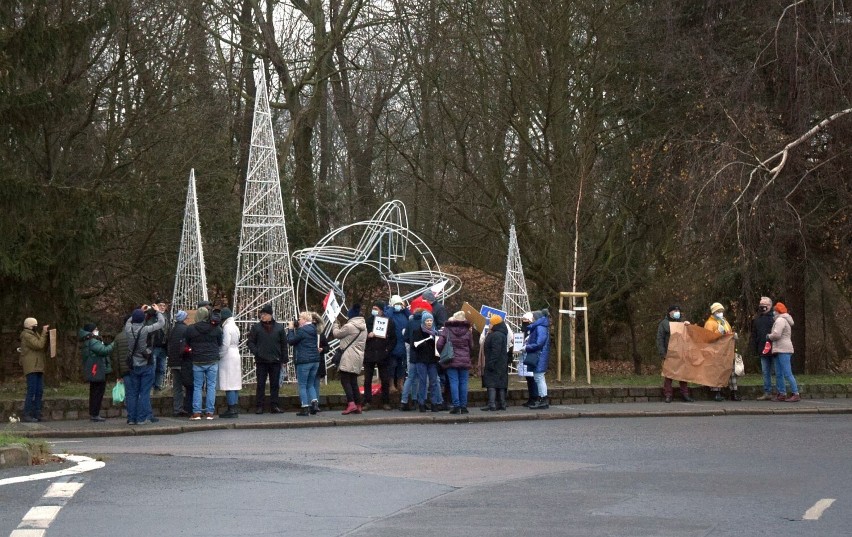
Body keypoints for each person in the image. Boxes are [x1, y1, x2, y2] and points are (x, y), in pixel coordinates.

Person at [124, 304, 166, 425]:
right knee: (144, 392)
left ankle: (132, 418)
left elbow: (128, 321)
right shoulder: (145, 329)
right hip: (146, 363)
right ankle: (142, 418)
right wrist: (158, 312)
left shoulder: (128, 329)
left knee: (134, 393)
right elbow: (161, 323)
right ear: (143, 319)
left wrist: (137, 312)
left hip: (134, 364)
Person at [248, 304, 288, 414]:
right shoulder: (256, 328)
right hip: (261, 361)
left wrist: (284, 359)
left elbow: (284, 344)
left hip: (275, 360)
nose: (262, 316)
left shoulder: (279, 328)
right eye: (261, 314)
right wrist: (256, 352)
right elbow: (250, 342)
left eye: (264, 314)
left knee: (275, 384)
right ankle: (259, 406)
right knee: (260, 384)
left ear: (270, 315)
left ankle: (274, 405)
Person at [184, 307, 223, 420]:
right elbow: (220, 343)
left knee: (197, 386)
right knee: (211, 386)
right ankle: (210, 412)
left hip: (197, 360)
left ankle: (196, 412)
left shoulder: (191, 329)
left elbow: (187, 342)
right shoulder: (216, 328)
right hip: (212, 360)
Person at [333, 304, 367, 414]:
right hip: (358, 357)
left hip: (348, 356)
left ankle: (351, 403)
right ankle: (358, 405)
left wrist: (335, 325)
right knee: (353, 381)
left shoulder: (349, 326)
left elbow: (337, 334)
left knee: (345, 380)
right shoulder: (364, 327)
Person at [437, 311, 474, 414]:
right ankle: (464, 406)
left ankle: (456, 406)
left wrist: (443, 353)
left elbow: (439, 344)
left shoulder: (447, 330)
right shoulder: (468, 331)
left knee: (454, 382)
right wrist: (467, 354)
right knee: (464, 383)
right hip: (465, 360)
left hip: (451, 359)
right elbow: (471, 346)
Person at [657, 305, 695, 403]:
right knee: (668, 375)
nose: (677, 312)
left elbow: (689, 336)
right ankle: (668, 395)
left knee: (683, 374)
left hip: (681, 352)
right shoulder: (664, 323)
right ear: (669, 312)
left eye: (678, 310)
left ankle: (685, 394)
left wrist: (688, 326)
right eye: (674, 310)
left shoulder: (682, 323)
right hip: (669, 352)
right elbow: (660, 339)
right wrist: (663, 353)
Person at [363, 301, 397, 410]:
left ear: (381, 310)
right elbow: (362, 337)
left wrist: (388, 350)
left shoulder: (389, 322)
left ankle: (385, 402)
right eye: (373, 308)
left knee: (385, 379)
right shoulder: (368, 321)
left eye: (376, 308)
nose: (374, 310)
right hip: (370, 353)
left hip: (383, 354)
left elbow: (393, 339)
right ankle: (367, 401)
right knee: (367, 379)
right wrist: (368, 336)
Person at [704, 302, 740, 402]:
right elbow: (708, 337)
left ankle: (734, 392)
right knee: (717, 371)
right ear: (714, 312)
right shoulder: (709, 323)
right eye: (718, 311)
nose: (721, 313)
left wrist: (733, 335)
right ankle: (716, 392)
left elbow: (728, 333)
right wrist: (717, 332)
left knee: (731, 371)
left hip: (727, 350)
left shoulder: (724, 322)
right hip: (716, 351)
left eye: (722, 311)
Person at [287, 311, 322, 416]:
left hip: (304, 360)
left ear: (305, 320)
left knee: (302, 385)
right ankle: (314, 403)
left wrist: (291, 329)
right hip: (315, 360)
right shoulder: (313, 329)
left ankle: (305, 407)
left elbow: (291, 341)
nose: (298, 320)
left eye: (300, 318)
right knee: (310, 384)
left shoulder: (302, 331)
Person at [398, 299, 430, 411]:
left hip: (412, 353)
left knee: (410, 378)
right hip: (424, 354)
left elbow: (405, 337)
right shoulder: (426, 323)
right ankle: (422, 400)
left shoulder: (410, 322)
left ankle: (404, 401)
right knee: (423, 378)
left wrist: (412, 344)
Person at [79, 323, 115, 421]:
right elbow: (104, 351)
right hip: (97, 369)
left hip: (93, 369)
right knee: (97, 392)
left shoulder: (87, 341)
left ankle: (93, 413)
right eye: (95, 329)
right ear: (91, 331)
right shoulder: (93, 341)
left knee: (94, 391)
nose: (97, 330)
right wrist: (114, 344)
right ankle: (95, 414)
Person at [768, 302, 800, 402]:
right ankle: (782, 393)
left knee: (786, 373)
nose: (773, 312)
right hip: (780, 349)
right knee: (779, 373)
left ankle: (795, 393)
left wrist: (769, 336)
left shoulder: (780, 320)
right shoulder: (783, 320)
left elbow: (776, 334)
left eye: (774, 310)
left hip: (783, 349)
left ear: (777, 311)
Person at [422, 290, 449, 408]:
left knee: (439, 374)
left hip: (437, 343)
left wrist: (433, 332)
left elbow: (442, 326)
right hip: (430, 344)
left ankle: (440, 399)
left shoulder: (439, 309)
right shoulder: (431, 308)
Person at [751, 296, 781, 400]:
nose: (762, 306)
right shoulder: (757, 319)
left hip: (775, 349)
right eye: (761, 304)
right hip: (762, 349)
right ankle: (767, 392)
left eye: (764, 304)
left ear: (770, 305)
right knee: (765, 371)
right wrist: (754, 348)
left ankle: (779, 393)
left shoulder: (775, 318)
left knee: (777, 371)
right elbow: (754, 335)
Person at [20, 317, 49, 423]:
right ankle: (27, 414)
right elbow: (39, 345)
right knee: (31, 391)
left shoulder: (33, 334)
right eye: (34, 326)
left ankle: (37, 413)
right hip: (31, 366)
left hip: (38, 366)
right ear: (29, 326)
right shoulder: (27, 335)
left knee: (39, 391)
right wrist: (44, 333)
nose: (35, 328)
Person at [412, 311, 442, 412]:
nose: (429, 322)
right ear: (423, 321)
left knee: (433, 382)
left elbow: (438, 347)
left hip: (433, 361)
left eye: (430, 320)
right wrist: (424, 343)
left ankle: (434, 403)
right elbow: (414, 346)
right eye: (427, 320)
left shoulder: (435, 332)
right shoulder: (417, 331)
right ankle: (421, 403)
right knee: (422, 381)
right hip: (421, 360)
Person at [481, 314, 509, 411]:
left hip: (494, 362)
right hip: (502, 363)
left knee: (491, 383)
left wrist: (491, 363)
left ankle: (492, 404)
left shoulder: (496, 335)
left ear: (495, 324)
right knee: (501, 383)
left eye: (491, 323)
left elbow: (495, 351)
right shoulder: (502, 333)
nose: (489, 325)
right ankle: (502, 403)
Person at [218, 308, 242, 418]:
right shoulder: (235, 326)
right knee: (235, 383)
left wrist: (219, 355)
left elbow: (225, 343)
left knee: (229, 383)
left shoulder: (227, 327)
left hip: (228, 356)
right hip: (235, 353)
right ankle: (234, 407)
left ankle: (231, 408)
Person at [167, 310, 191, 416]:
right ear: (184, 319)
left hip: (173, 362)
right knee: (188, 385)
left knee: (177, 387)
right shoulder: (186, 330)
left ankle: (177, 408)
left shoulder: (172, 330)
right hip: (183, 362)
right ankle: (187, 407)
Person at [526, 309, 551, 409]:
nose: (531, 319)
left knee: (539, 378)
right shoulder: (541, 327)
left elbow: (539, 343)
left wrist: (527, 347)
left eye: (532, 317)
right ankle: (542, 399)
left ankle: (543, 399)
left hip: (539, 355)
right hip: (540, 355)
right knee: (539, 377)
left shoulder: (539, 327)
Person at [385, 295, 410, 393]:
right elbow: (386, 318)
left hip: (403, 344)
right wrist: (391, 308)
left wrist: (405, 309)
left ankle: (400, 384)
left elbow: (411, 317)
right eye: (397, 304)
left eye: (400, 304)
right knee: (392, 366)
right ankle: (391, 385)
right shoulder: (390, 314)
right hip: (393, 345)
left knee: (402, 367)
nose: (398, 306)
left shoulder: (404, 314)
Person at [517, 312, 538, 407]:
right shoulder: (525, 331)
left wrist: (524, 347)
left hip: (531, 357)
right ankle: (531, 398)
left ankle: (535, 398)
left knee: (533, 379)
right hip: (526, 357)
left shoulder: (533, 331)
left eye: (525, 321)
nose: (523, 323)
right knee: (529, 379)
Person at [311, 312, 330, 412]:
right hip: (310, 359)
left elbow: (327, 347)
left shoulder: (320, 334)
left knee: (316, 383)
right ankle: (310, 403)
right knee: (310, 383)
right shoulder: (306, 332)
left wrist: (322, 349)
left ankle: (315, 403)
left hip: (318, 361)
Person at [150, 299, 171, 390]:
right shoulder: (152, 316)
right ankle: (151, 385)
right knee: (153, 367)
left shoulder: (168, 316)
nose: (162, 307)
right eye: (160, 305)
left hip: (164, 346)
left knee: (162, 368)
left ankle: (157, 385)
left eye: (164, 305)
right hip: (155, 346)